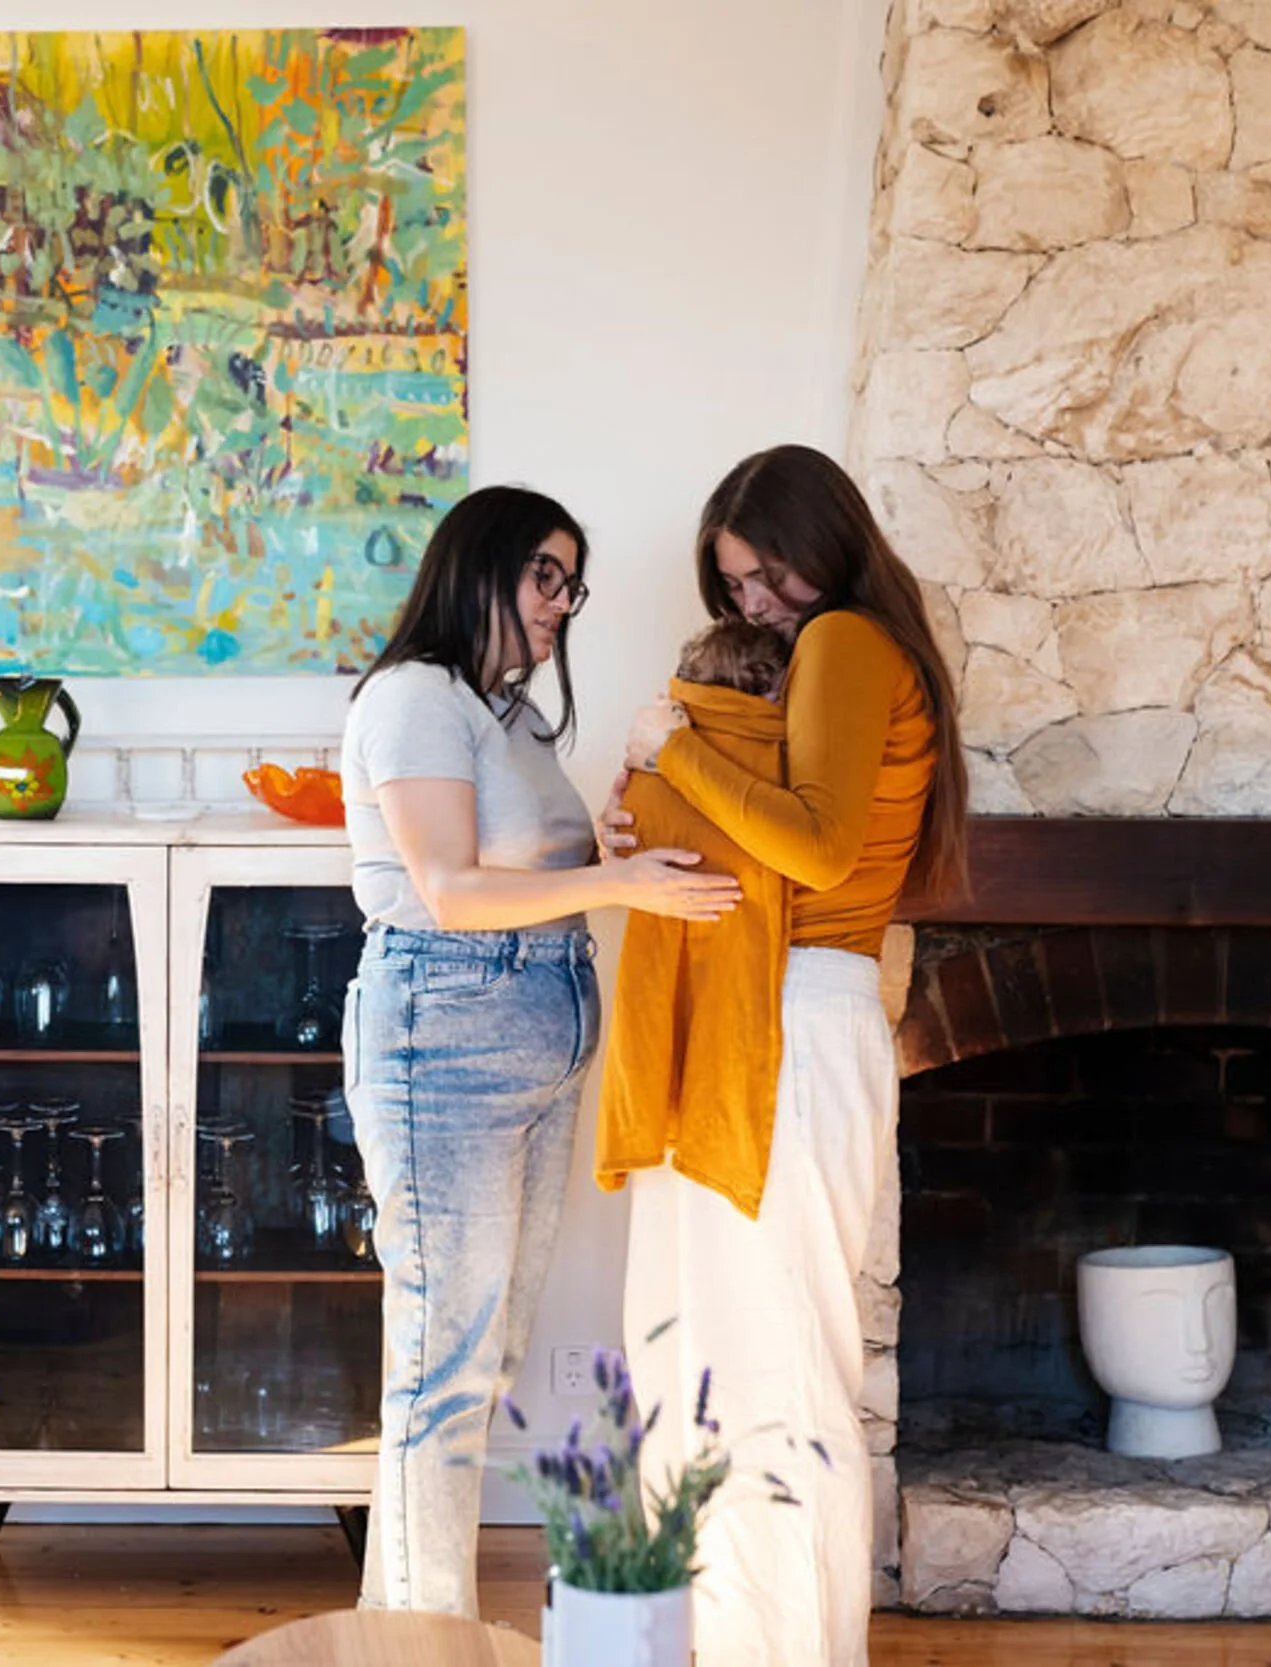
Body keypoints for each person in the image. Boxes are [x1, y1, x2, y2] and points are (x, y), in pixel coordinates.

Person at [339, 483, 743, 1618]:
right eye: (545, 575)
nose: (564, 601)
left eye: (572, 582)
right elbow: (450, 887)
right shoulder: (417, 698)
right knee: (442, 1367)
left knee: (477, 1359)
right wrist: (616, 882)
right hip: (446, 1029)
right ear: (481, 567)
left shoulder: (502, 710)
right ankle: (430, 1641)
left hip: (539, 1027)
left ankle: (401, 1634)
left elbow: (533, 860)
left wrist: (610, 833)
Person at [613, 444, 968, 1667]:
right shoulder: (844, 648)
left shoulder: (850, 643)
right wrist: (651, 814)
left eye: (768, 573)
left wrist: (673, 752)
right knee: (718, 1353)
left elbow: (815, 851)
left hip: (795, 1022)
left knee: (774, 1365)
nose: (755, 604)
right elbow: (783, 826)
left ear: (827, 538)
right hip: (771, 1011)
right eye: (735, 586)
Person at [595, 617, 797, 1217]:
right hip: (761, 998)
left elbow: (621, 846)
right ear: (772, 692)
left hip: (659, 991)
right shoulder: (777, 770)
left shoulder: (648, 772)